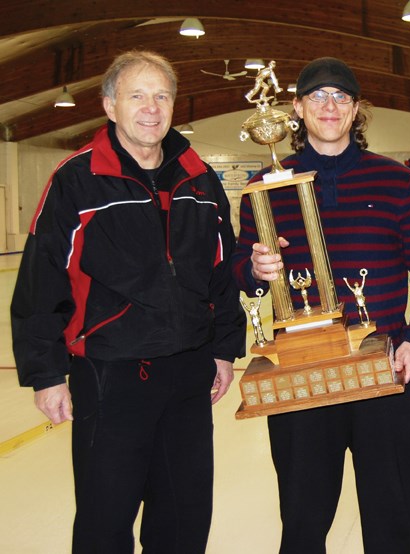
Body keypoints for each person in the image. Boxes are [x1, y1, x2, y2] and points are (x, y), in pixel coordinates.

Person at [10, 50, 246, 553]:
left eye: (162, 96)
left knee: (184, 517)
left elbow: (220, 272)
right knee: (105, 519)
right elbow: (39, 280)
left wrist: (224, 349)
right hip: (110, 373)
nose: (151, 108)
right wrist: (46, 374)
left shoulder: (198, 178)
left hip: (187, 374)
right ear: (109, 105)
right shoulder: (76, 179)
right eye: (136, 95)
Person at [231, 57, 410, 553]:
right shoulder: (264, 189)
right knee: (303, 525)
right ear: (297, 108)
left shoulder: (398, 184)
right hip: (303, 380)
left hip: (384, 374)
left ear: (356, 111)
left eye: (341, 97)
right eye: (318, 97)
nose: (330, 106)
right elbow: (242, 272)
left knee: (394, 524)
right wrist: (255, 269)